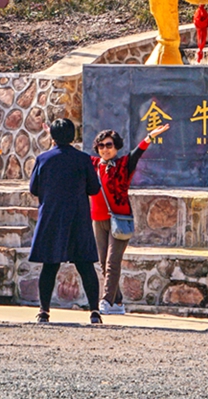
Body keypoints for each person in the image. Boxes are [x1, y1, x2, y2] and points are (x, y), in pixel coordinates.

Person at [90, 123, 170, 315]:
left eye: (109, 145)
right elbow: (72, 157)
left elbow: (137, 153)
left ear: (116, 146)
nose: (105, 149)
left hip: (119, 219)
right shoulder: (92, 164)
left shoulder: (123, 165)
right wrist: (53, 137)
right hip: (97, 219)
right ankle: (117, 302)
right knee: (103, 262)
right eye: (101, 146)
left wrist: (149, 137)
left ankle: (106, 300)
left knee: (112, 262)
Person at [29, 118, 102, 325]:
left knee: (49, 265)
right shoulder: (83, 159)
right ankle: (95, 311)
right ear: (73, 136)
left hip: (51, 216)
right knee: (85, 265)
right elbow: (94, 189)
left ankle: (44, 311)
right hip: (77, 216)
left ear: (52, 136)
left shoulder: (43, 159)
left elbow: (34, 188)